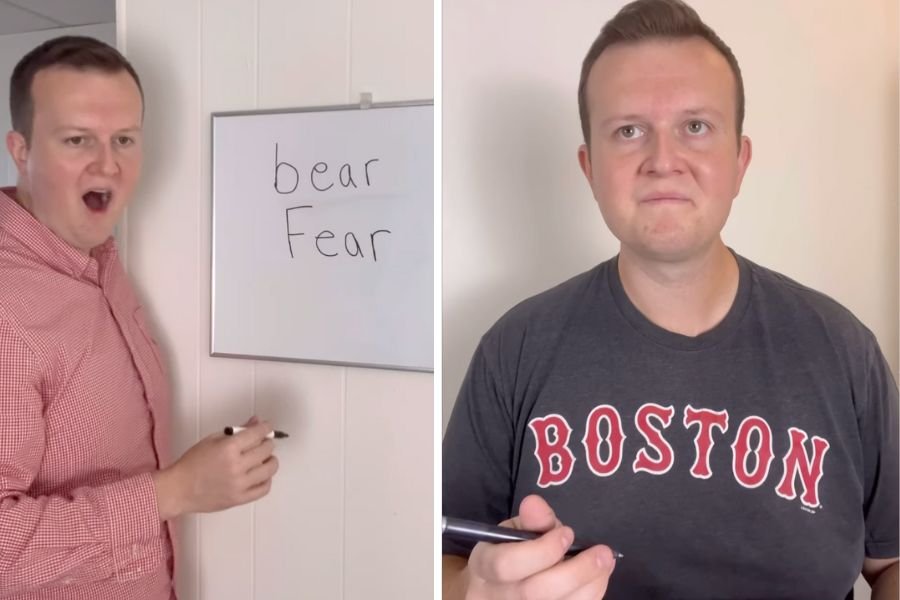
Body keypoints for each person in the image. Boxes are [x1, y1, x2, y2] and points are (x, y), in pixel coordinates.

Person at [442, 1, 899, 598]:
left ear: (739, 162)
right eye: (628, 131)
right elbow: (447, 558)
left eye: (696, 126)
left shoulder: (844, 352)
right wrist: (472, 592)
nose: (662, 161)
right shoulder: (515, 349)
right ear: (589, 168)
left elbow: (891, 562)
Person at [0, 36, 279, 598]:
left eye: (124, 139)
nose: (108, 163)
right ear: (21, 149)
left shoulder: (99, 258)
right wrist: (173, 491)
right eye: (77, 139)